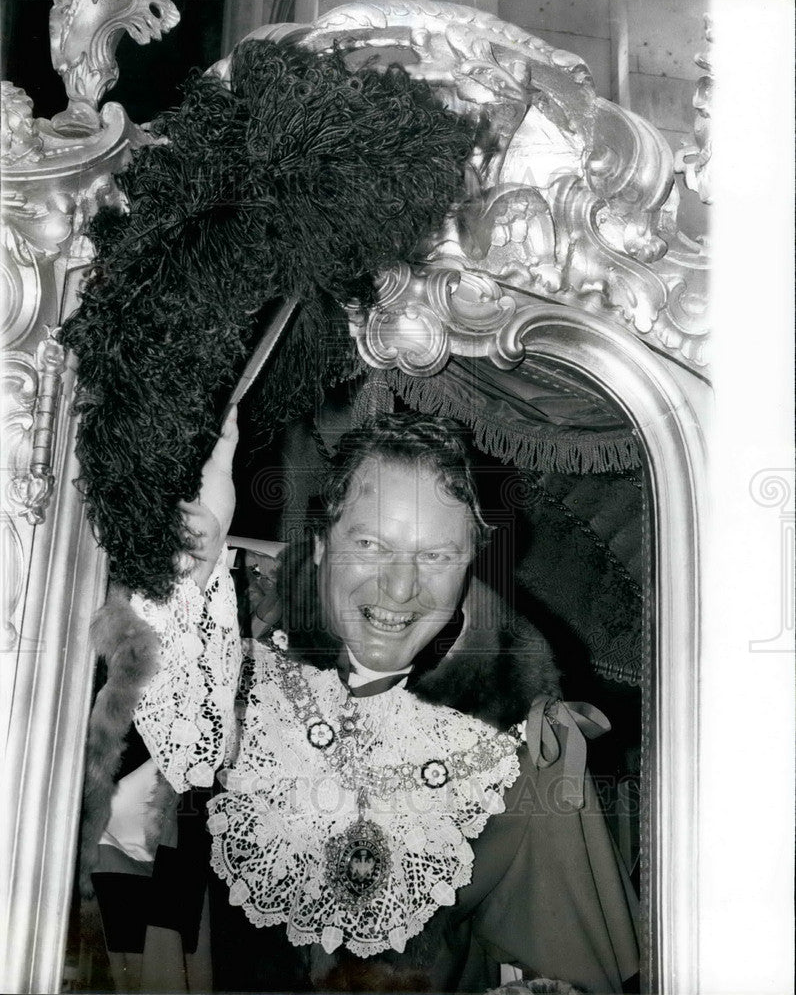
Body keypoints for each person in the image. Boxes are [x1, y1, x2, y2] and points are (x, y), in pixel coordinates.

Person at [88, 411, 639, 994]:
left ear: (469, 564)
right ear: (323, 543)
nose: (400, 589)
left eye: (436, 556)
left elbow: (572, 974)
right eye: (371, 543)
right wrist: (187, 570)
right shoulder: (217, 671)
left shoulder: (514, 750)